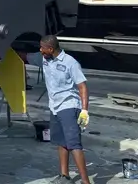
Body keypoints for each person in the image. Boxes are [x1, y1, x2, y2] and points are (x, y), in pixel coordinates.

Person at [19, 35, 91, 184]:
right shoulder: (43, 59)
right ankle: (64, 176)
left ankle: (85, 182)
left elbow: (82, 86)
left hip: (69, 106)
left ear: (51, 49)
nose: (40, 50)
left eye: (42, 48)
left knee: (73, 144)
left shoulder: (70, 63)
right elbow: (25, 57)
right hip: (54, 107)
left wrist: (84, 110)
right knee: (61, 141)